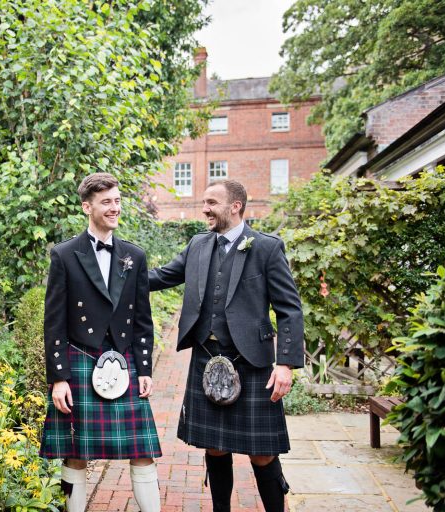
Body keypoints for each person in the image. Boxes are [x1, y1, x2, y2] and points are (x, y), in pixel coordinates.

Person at [148, 179, 304, 512]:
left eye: (211, 203)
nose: (204, 208)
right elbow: (162, 276)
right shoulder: (198, 245)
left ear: (235, 206)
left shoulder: (265, 247)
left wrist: (286, 364)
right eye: (204, 202)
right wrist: (116, 273)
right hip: (207, 357)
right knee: (215, 447)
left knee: (262, 452)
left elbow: (289, 309)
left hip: (252, 362)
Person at [39, 172, 161, 512]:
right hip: (81, 359)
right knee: (75, 453)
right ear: (87, 206)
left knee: (142, 451)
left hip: (124, 361)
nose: (114, 208)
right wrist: (59, 377)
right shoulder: (65, 255)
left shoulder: (133, 256)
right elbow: (55, 323)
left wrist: (145, 367)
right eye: (106, 202)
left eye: (117, 201)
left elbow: (142, 319)